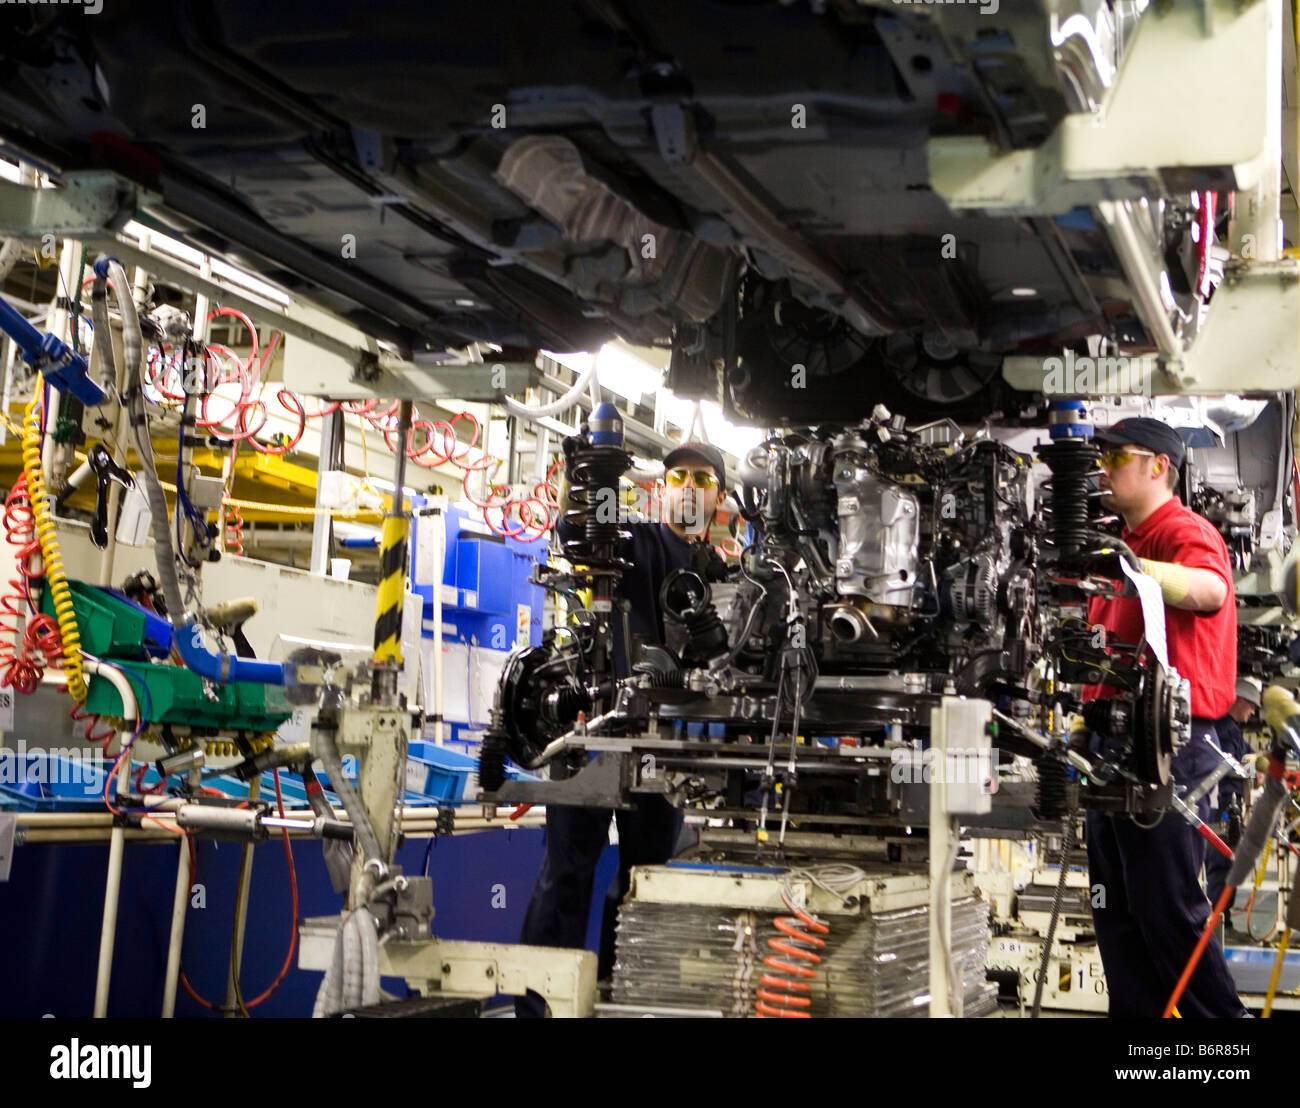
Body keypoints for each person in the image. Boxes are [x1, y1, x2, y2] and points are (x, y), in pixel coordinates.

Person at [515, 441, 727, 1017]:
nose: (687, 486)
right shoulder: (635, 542)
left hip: (665, 747)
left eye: (701, 479)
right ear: (664, 488)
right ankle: (538, 1007)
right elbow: (578, 534)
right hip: (593, 730)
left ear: (719, 498)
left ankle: (618, 999)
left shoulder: (723, 576)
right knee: (566, 874)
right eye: (678, 476)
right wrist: (594, 470)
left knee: (643, 882)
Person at [1082, 416, 1248, 1018]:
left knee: (1169, 912)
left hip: (1168, 744)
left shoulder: (1181, 531)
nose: (1101, 468)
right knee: (1118, 917)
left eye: (1114, 456)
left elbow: (1209, 591)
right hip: (1110, 742)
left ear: (1158, 465)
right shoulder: (1111, 544)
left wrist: (1138, 568)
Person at [1206, 677, 1260, 930]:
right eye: (1250, 706)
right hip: (1219, 806)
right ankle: (1217, 917)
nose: (1251, 713)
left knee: (1227, 859)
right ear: (1237, 701)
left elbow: (1248, 756)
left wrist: (1257, 767)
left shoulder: (1232, 729)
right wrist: (1249, 771)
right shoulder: (1220, 728)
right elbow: (1225, 763)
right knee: (1220, 860)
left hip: (1229, 804)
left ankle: (1221, 914)